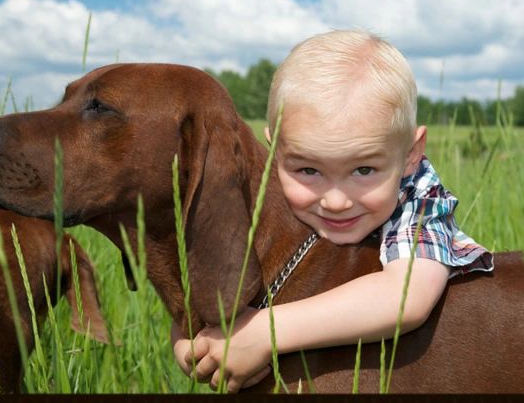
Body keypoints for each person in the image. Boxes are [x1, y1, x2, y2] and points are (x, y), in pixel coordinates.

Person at [171, 29, 494, 392]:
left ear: (410, 154)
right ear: (275, 149)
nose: (335, 201)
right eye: (308, 170)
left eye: (364, 170)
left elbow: (405, 298)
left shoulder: (419, 197)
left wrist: (265, 332)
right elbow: (210, 273)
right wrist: (193, 341)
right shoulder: (272, 193)